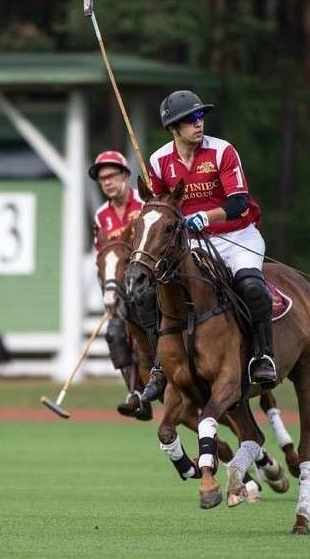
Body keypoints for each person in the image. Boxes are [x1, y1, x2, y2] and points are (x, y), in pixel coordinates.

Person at [139, 90, 277, 403]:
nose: (198, 124)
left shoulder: (222, 151)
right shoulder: (159, 161)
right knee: (151, 292)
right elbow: (158, 205)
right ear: (174, 128)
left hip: (237, 235)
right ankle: (160, 366)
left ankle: (263, 356)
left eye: (200, 117)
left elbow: (239, 202)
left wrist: (205, 216)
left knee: (251, 286)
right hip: (190, 243)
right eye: (189, 120)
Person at [89, 150, 149, 418]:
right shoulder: (102, 215)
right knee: (115, 333)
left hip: (149, 284)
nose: (107, 182)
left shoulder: (145, 204)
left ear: (125, 175)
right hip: (122, 288)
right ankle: (136, 393)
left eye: (112, 175)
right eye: (102, 179)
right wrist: (109, 291)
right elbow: (101, 256)